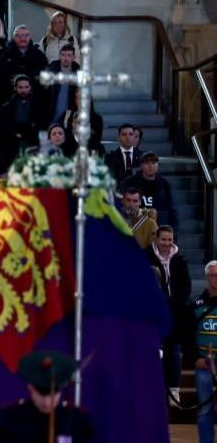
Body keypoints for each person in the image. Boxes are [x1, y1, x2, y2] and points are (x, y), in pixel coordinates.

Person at [0, 350, 94, 442]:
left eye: (53, 395)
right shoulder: (8, 420)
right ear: (30, 387)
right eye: (41, 395)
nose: (47, 402)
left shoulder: (77, 422)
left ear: (61, 391)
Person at [146, 225, 189, 396]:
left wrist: (173, 305)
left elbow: (186, 287)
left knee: (174, 351)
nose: (167, 243)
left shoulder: (180, 260)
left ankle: (174, 389)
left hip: (175, 314)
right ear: (156, 239)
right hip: (153, 314)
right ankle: (153, 389)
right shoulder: (146, 257)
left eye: (170, 240)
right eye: (163, 239)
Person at [190, 261, 217, 443]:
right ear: (207, 278)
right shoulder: (196, 304)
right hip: (204, 364)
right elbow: (187, 335)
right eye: (214, 275)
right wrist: (195, 358)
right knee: (205, 409)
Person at [0, 75, 45, 170]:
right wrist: (16, 133)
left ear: (30, 87)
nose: (23, 90)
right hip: (12, 143)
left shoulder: (39, 105)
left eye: (26, 87)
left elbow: (41, 124)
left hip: (32, 142)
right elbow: (3, 127)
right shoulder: (7, 107)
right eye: (20, 87)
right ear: (15, 88)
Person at [122, 152, 178, 229]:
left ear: (158, 165)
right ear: (141, 165)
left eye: (153, 163)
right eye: (147, 163)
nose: (150, 166)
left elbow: (172, 210)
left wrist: (173, 232)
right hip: (134, 227)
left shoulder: (165, 185)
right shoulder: (129, 183)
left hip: (159, 229)